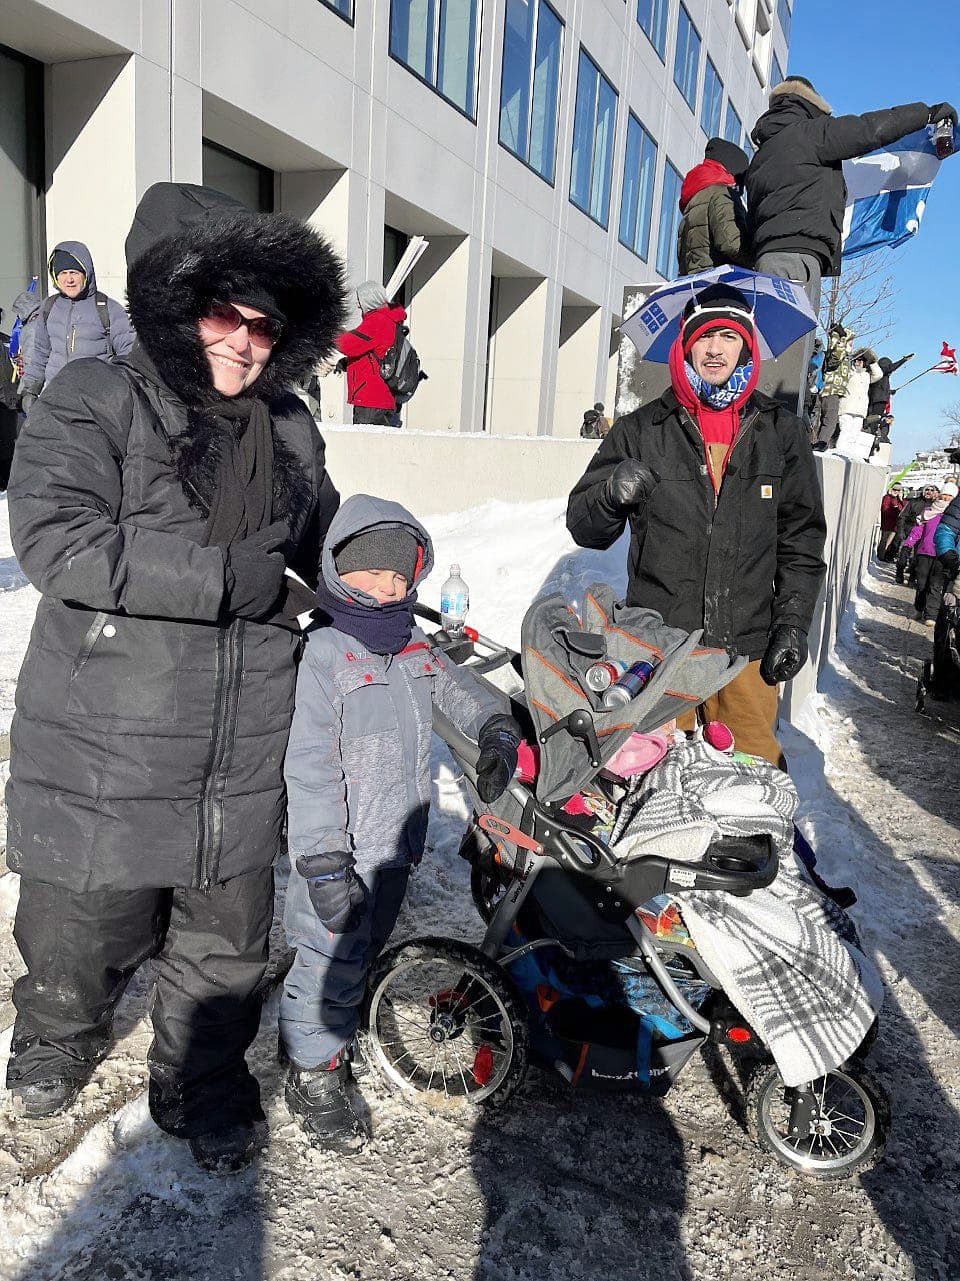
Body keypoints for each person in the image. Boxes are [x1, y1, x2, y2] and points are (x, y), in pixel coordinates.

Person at [4, 181, 348, 1173]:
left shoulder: (287, 423)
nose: (242, 341)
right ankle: (58, 1034)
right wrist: (223, 577)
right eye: (221, 314)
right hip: (112, 721)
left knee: (226, 923)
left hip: (245, 732)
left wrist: (380, 566)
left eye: (262, 324)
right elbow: (57, 540)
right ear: (170, 299)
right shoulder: (94, 398)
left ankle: (199, 1074)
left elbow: (324, 533)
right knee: (82, 914)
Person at [279, 494, 520, 1151]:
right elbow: (311, 770)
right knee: (325, 957)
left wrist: (495, 727)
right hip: (337, 853)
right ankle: (310, 1067)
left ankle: (329, 1027)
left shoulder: (411, 644)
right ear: (336, 567)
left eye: (398, 576)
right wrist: (324, 860)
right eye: (371, 573)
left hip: (393, 845)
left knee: (358, 949)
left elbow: (457, 689)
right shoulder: (324, 654)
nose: (386, 587)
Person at [566, 286, 826, 769]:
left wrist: (792, 624)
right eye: (704, 337)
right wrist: (609, 493)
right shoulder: (641, 430)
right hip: (657, 652)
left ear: (746, 346)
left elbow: (802, 543)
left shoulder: (781, 433)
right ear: (684, 346)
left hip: (745, 655)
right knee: (653, 785)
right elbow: (585, 527)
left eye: (729, 336)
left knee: (750, 784)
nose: (715, 349)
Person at [746, 78, 955, 412]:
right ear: (809, 104)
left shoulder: (763, 155)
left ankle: (775, 433)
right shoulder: (808, 133)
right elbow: (868, 130)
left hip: (769, 257)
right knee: (789, 359)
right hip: (797, 257)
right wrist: (925, 114)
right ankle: (777, 442)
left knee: (772, 351)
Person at [17, 241, 136, 410]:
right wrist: (29, 390)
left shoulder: (108, 308)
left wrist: (112, 391)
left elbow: (129, 356)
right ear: (55, 276)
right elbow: (40, 354)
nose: (69, 279)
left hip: (95, 405)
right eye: (63, 273)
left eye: (74, 272)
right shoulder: (49, 307)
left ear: (86, 273)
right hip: (54, 401)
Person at [677, 138, 750, 275]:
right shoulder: (721, 193)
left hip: (697, 284)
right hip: (720, 283)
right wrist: (756, 260)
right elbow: (732, 244)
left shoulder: (693, 200)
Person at [336, 281, 406, 426]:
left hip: (372, 400)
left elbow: (347, 344)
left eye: (360, 301)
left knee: (363, 446)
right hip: (384, 398)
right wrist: (347, 364)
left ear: (369, 300)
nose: (358, 305)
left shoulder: (377, 321)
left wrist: (328, 331)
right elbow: (372, 353)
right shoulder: (389, 320)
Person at [903, 489, 951, 624]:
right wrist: (909, 543)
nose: (946, 498)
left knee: (935, 585)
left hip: (942, 555)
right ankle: (919, 608)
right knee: (922, 584)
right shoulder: (928, 511)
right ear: (940, 495)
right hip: (925, 552)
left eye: (950, 496)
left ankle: (931, 615)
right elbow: (918, 529)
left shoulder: (952, 515)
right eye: (945, 494)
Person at [814, 322, 854, 449]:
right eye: (851, 340)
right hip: (830, 390)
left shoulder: (846, 356)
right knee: (830, 419)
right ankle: (822, 443)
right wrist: (842, 338)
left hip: (834, 392)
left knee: (831, 421)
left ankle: (824, 442)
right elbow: (836, 357)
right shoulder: (837, 353)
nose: (852, 343)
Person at [896, 484, 939, 583]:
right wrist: (900, 531)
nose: (928, 491)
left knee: (917, 558)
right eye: (927, 489)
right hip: (908, 531)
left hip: (923, 535)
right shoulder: (913, 502)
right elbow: (902, 516)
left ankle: (912, 577)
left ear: (934, 493)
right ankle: (899, 573)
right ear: (923, 491)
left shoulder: (934, 506)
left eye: (931, 490)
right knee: (903, 555)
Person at [837, 350, 882, 437]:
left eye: (862, 361)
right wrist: (851, 358)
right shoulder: (849, 373)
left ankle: (850, 450)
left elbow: (878, 375)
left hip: (860, 410)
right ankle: (841, 450)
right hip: (847, 408)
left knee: (855, 434)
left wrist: (872, 362)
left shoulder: (866, 376)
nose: (859, 363)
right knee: (845, 432)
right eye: (858, 360)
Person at [877, 483, 905, 561]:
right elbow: (885, 509)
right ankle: (881, 556)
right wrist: (896, 509)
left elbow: (904, 509)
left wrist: (901, 499)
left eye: (898, 490)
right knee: (884, 540)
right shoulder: (887, 497)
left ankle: (884, 556)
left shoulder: (899, 499)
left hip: (895, 525)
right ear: (891, 489)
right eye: (894, 489)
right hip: (887, 523)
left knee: (890, 542)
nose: (896, 491)